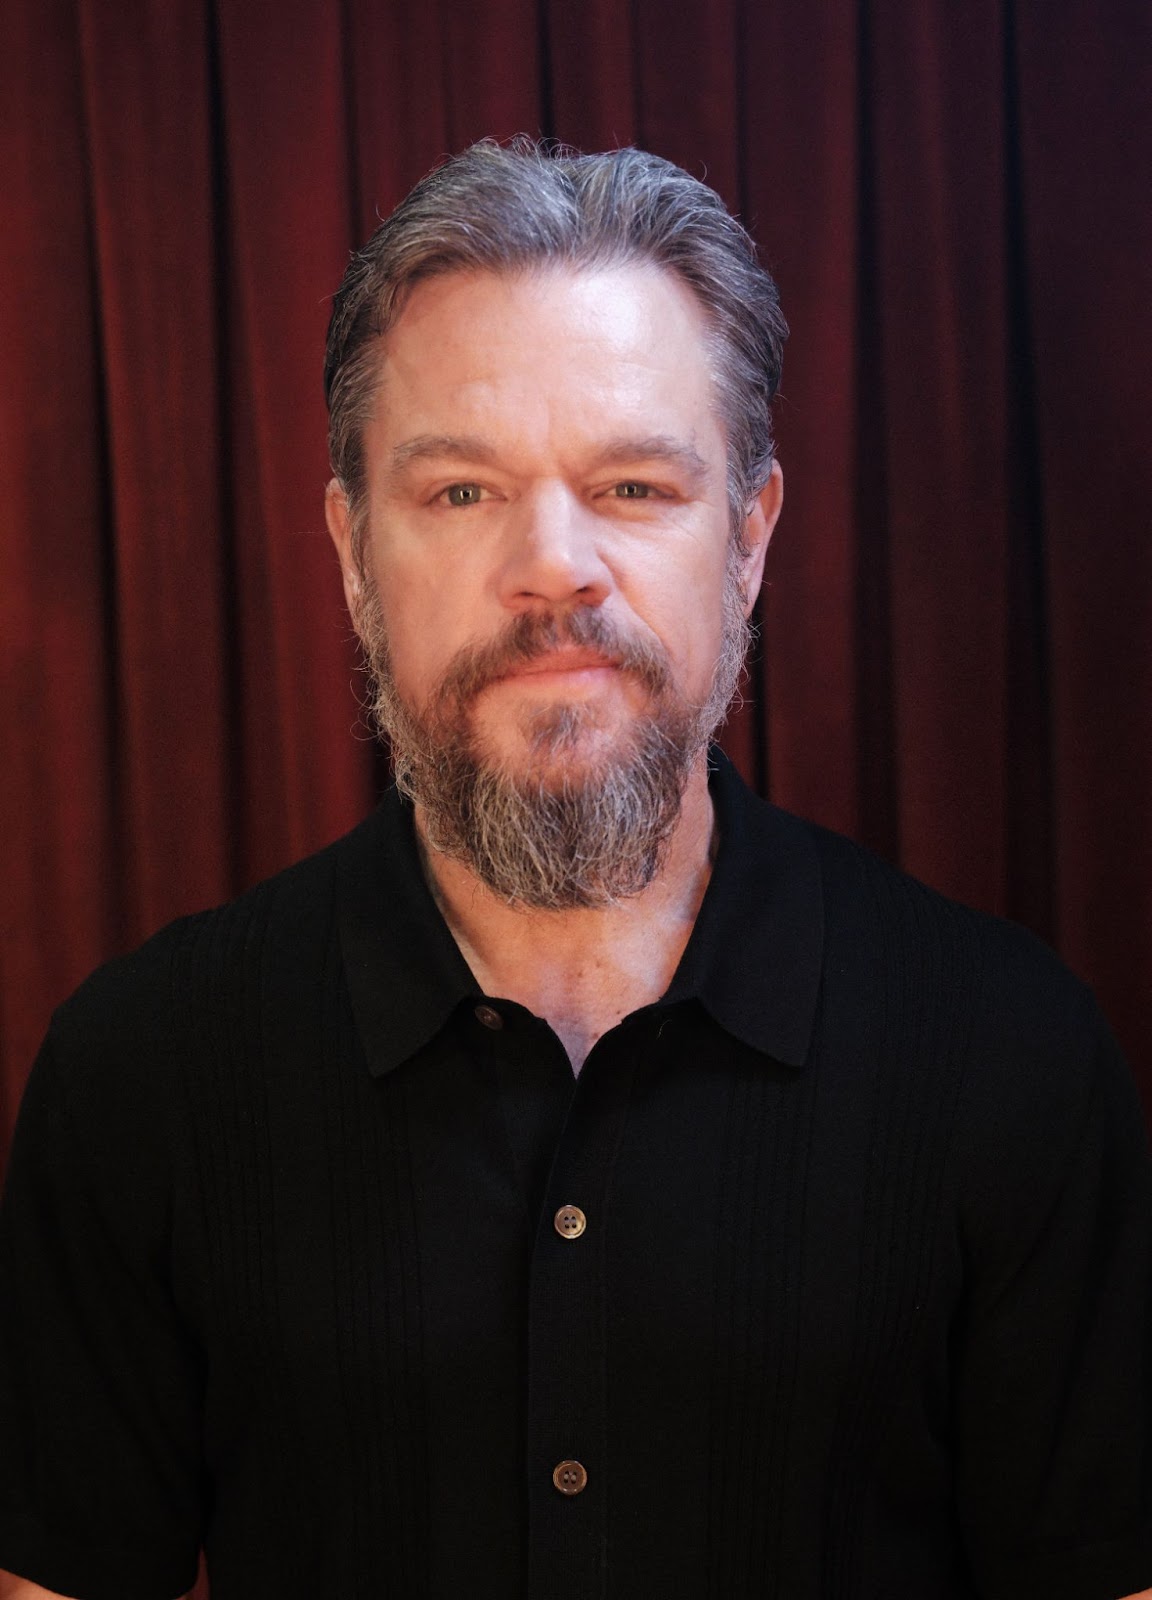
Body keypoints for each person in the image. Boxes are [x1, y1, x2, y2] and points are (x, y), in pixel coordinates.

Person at [1, 138, 1150, 1600]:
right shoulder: (142, 1072)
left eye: (632, 486)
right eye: (463, 493)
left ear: (748, 537)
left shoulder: (1012, 1053)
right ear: (354, 550)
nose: (554, 568)